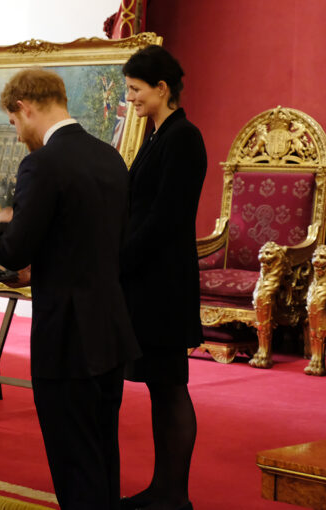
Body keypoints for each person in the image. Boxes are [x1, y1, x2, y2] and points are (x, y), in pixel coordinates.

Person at [0, 68, 140, 510]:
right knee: (101, 453)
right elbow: (102, 240)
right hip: (110, 329)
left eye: (14, 123)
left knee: (73, 462)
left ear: (25, 107)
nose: (17, 136)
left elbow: (15, 251)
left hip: (67, 338)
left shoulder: (42, 163)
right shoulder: (109, 157)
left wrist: (2, 228)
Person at [118, 45, 206, 510]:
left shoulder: (184, 137)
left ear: (162, 88)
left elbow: (167, 218)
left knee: (170, 386)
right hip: (147, 282)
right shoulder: (157, 134)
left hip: (164, 284)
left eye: (135, 89)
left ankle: (174, 496)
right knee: (159, 386)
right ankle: (163, 488)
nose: (129, 97)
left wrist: (121, 259)